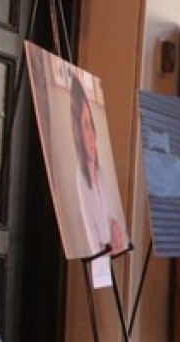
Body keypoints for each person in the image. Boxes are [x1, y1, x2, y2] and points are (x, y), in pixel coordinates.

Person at [69, 73, 127, 257]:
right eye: (86, 125)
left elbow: (112, 218)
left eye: (91, 124)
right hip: (100, 254)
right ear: (77, 132)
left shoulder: (100, 172)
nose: (92, 135)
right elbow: (93, 238)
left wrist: (116, 227)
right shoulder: (81, 176)